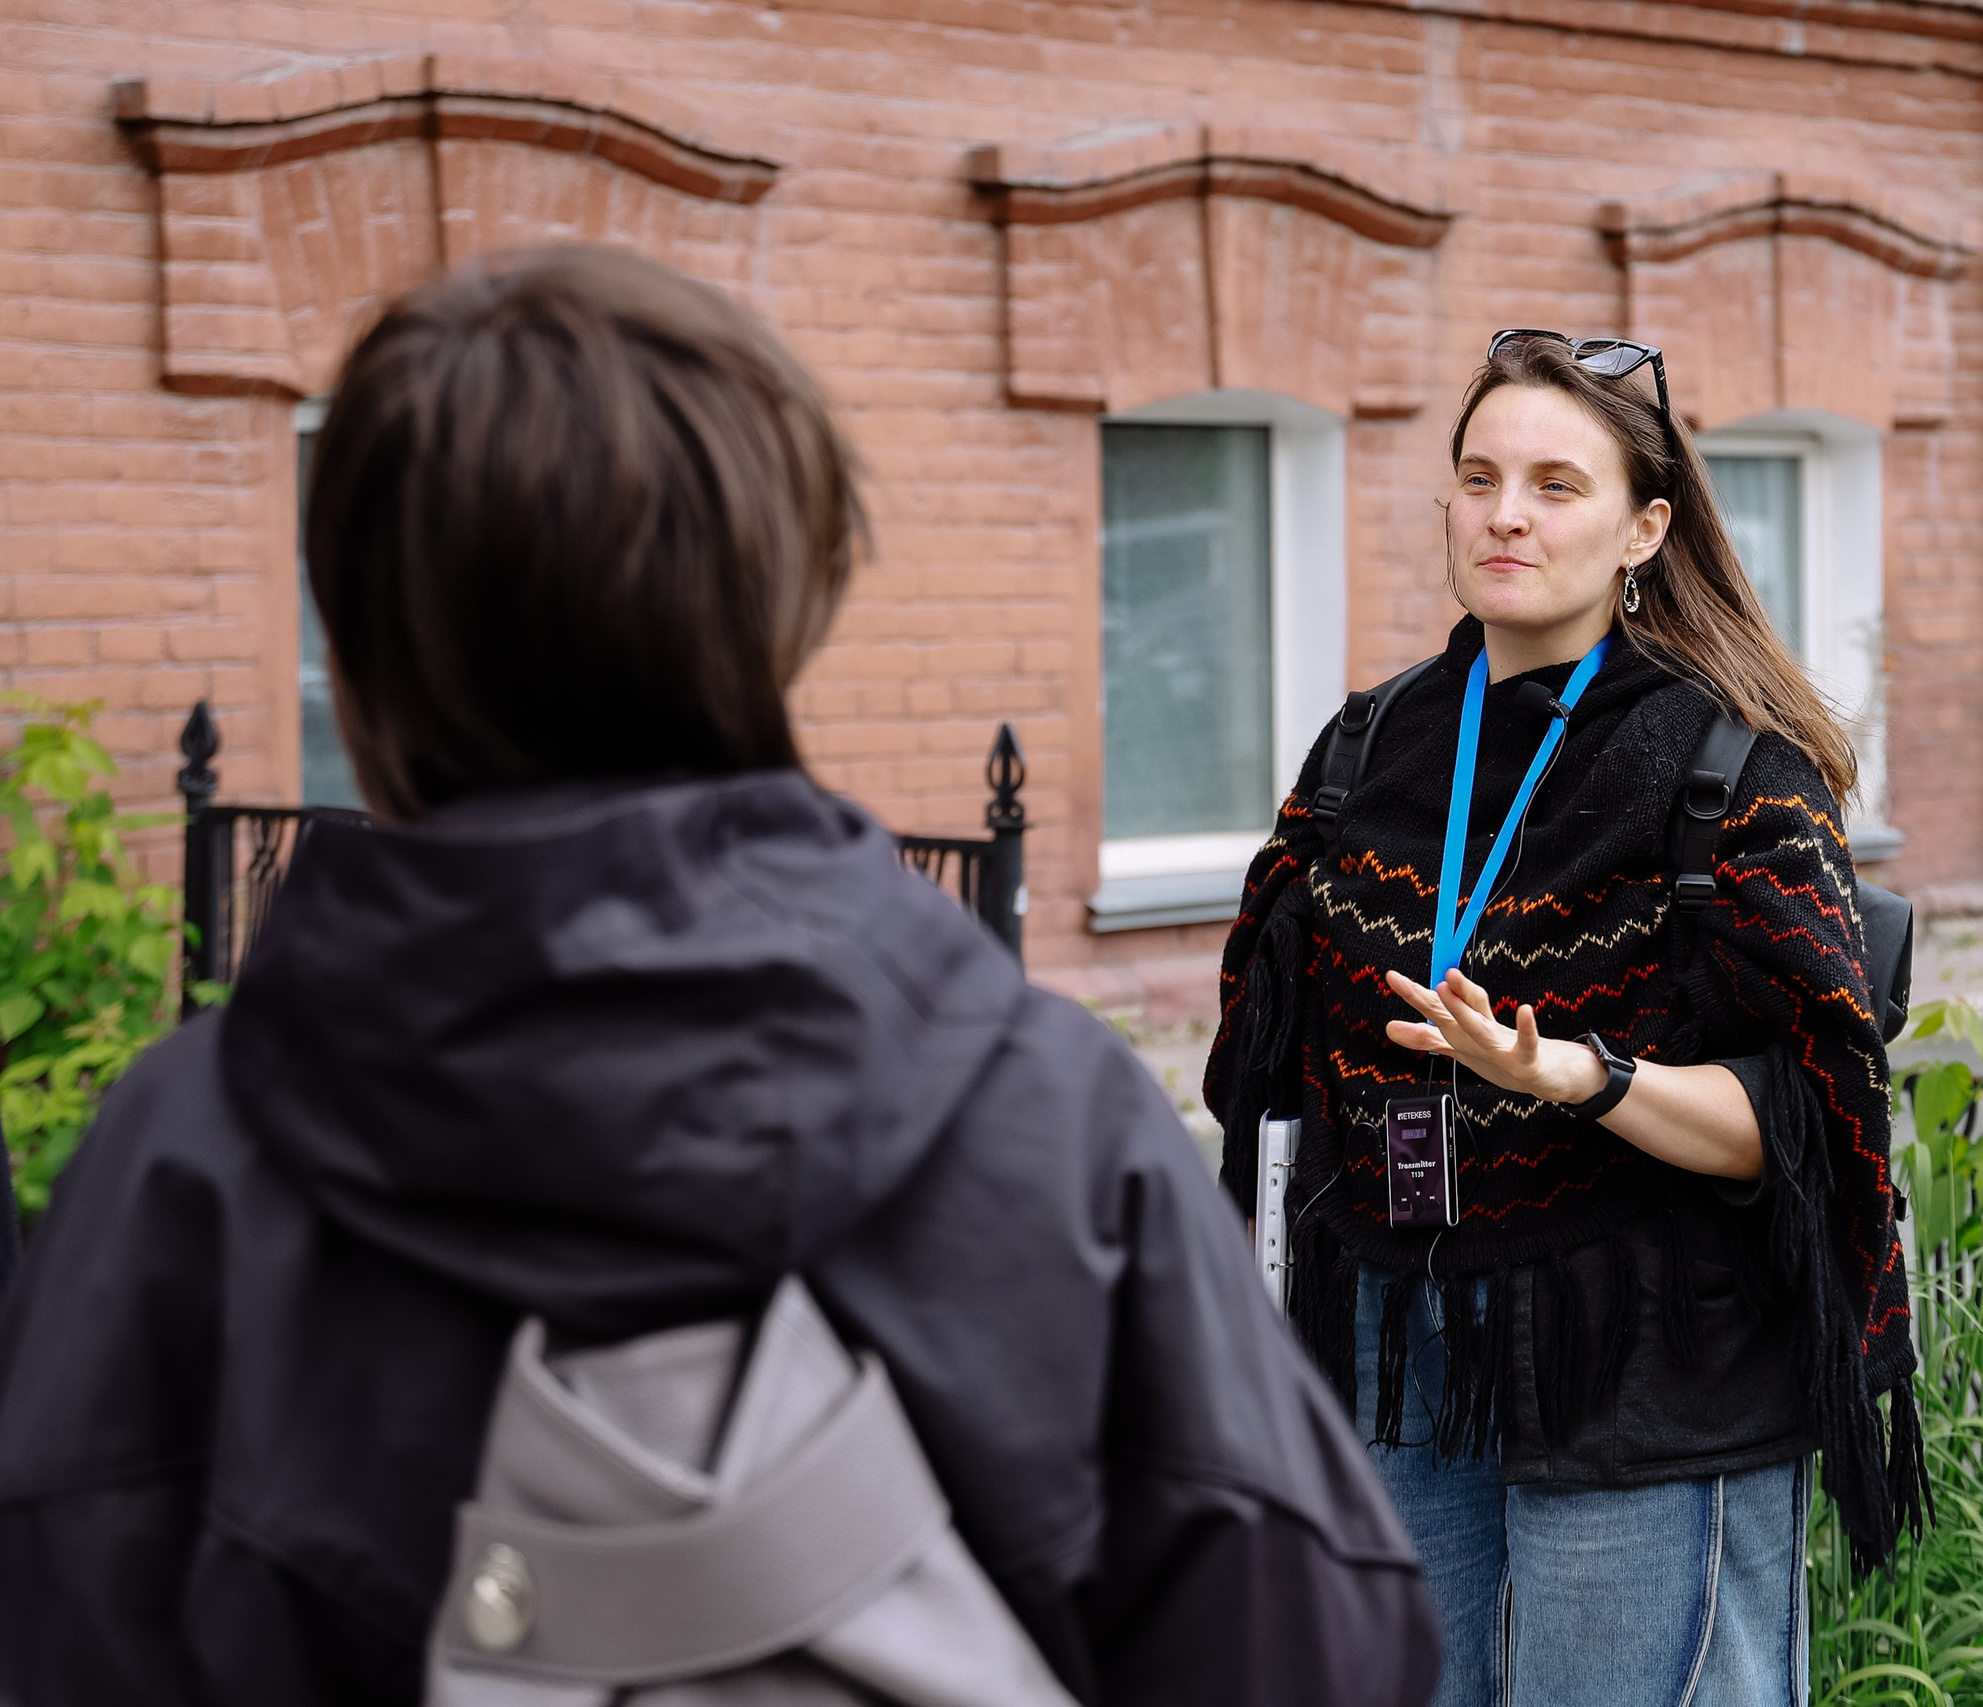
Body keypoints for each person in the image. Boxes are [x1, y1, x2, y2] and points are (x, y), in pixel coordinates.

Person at [0, 246, 1439, 1707]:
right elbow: (1315, 1643)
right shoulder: (1047, 1118)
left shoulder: (188, 1157)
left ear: (363, 632)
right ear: (781, 606)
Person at [1206, 329, 1925, 1706]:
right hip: (1398, 1342)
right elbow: (1273, 1070)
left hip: (1645, 1348)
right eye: (1479, 478)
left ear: (1645, 527)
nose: (1506, 516)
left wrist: (1580, 1077)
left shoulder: (1729, 770)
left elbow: (1802, 1127)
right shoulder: (1369, 746)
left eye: (1554, 484)